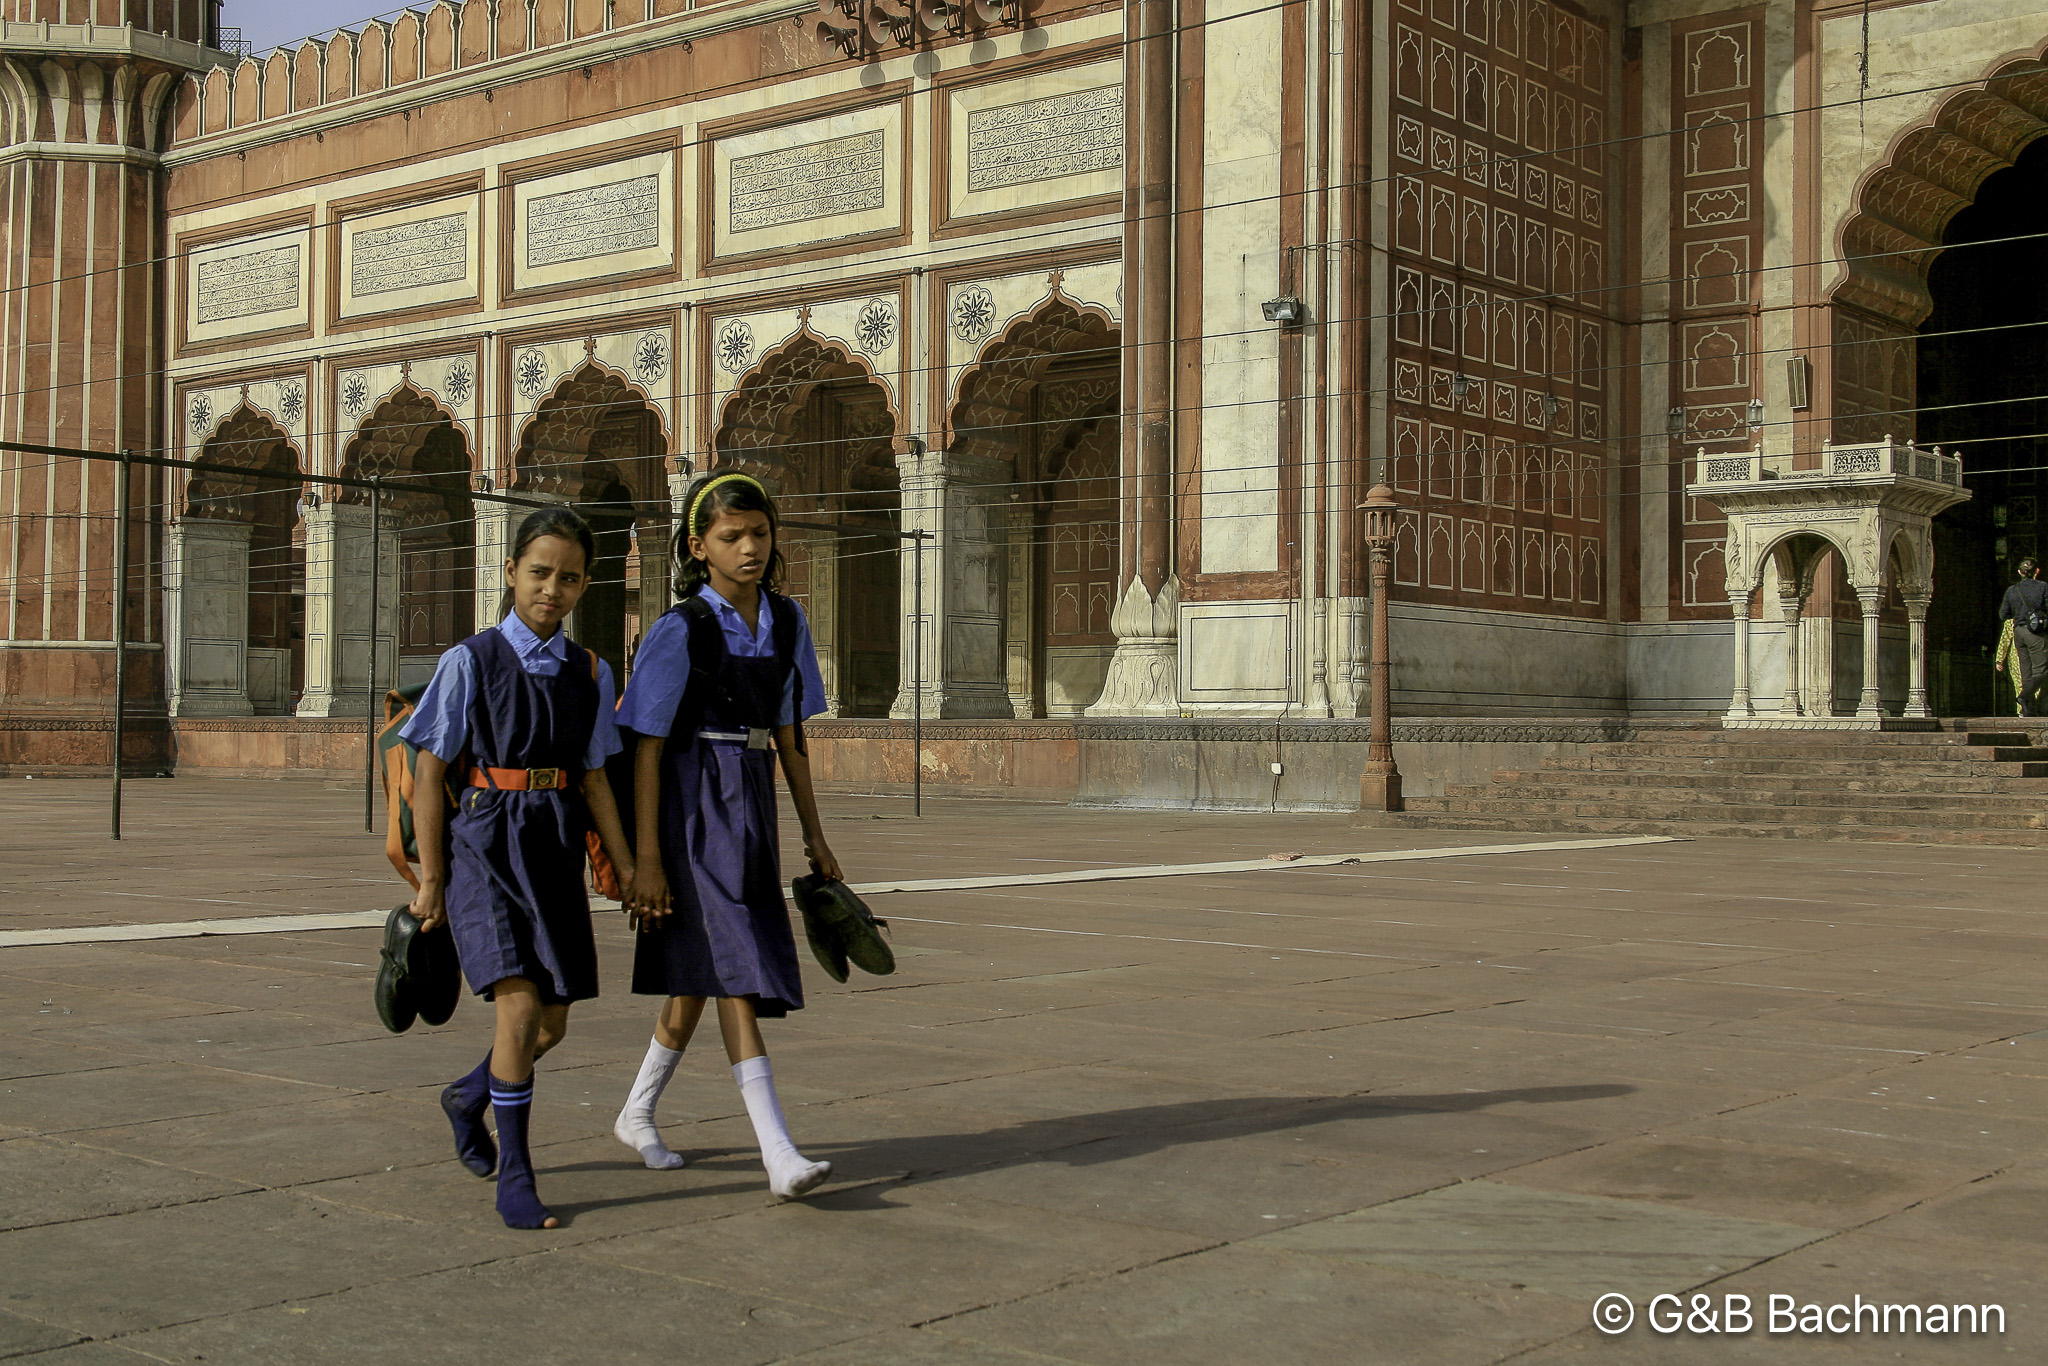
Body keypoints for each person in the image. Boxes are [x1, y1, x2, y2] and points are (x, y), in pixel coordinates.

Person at [610, 471, 841, 1199]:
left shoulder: (788, 620)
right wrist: (646, 859)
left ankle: (636, 1112)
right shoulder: (681, 629)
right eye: (731, 536)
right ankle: (778, 1151)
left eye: (760, 534)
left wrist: (815, 836)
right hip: (689, 805)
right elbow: (645, 745)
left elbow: (791, 734)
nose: (749, 548)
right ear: (697, 546)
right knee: (737, 966)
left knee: (698, 978)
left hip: (749, 797)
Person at [403, 507, 635, 1230]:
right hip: (485, 842)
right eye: (539, 573)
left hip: (554, 841)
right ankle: (518, 1171)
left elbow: (595, 775)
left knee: (550, 1025)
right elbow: (429, 770)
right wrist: (433, 877)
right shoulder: (470, 660)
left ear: (585, 585)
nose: (551, 590)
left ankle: (469, 1097)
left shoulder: (589, 672)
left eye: (568, 578)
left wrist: (626, 867)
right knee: (519, 1007)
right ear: (509, 573)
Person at [1997, 556, 2048, 717]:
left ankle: (2027, 710)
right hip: (2036, 633)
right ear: (2037, 571)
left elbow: (2003, 614)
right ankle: (2026, 695)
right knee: (2042, 669)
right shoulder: (2042, 587)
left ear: (2020, 572)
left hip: (2019, 632)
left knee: (2026, 672)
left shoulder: (2012, 590)